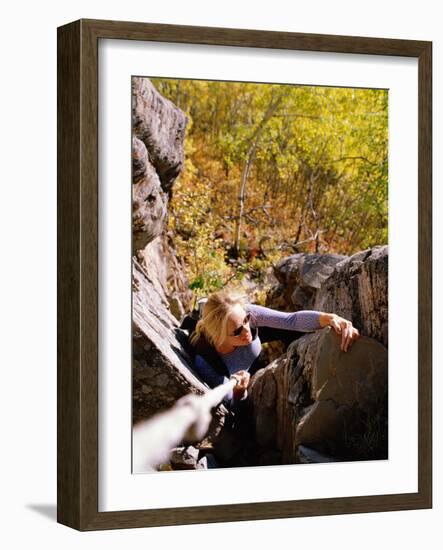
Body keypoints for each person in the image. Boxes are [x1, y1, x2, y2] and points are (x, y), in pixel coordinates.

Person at [190, 290, 359, 404]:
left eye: (246, 320)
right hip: (242, 376)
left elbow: (290, 320)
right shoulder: (206, 362)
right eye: (237, 331)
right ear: (218, 335)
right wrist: (240, 391)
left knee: (293, 331)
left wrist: (331, 318)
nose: (247, 330)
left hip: (252, 356)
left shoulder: (245, 315)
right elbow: (231, 402)